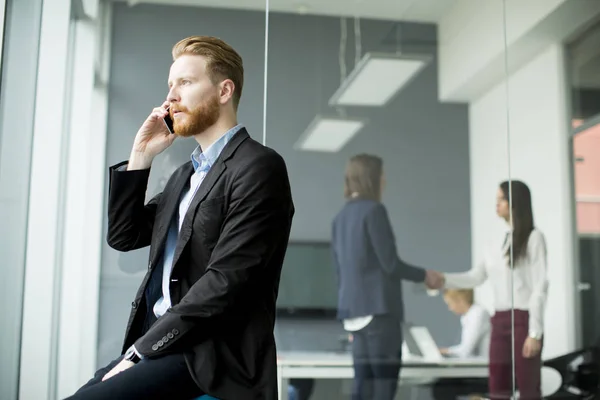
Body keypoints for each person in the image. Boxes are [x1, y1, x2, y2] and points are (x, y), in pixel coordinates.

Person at [66, 36, 294, 400]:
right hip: (160, 345)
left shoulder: (258, 166)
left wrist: (140, 352)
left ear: (224, 90)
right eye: (170, 85)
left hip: (209, 354)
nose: (171, 96)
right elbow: (124, 236)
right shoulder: (183, 177)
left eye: (185, 83)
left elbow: (225, 280)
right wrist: (141, 155)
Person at [331, 154, 445, 400]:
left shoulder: (340, 218)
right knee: (383, 389)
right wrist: (424, 275)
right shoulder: (374, 211)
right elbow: (390, 264)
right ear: (371, 178)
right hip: (379, 315)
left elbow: (340, 270)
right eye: (382, 175)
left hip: (353, 317)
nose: (384, 180)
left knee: (363, 388)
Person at [443, 180, 548, 400]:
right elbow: (476, 276)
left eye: (502, 199)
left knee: (528, 389)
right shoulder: (497, 242)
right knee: (497, 387)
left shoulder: (533, 238)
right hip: (499, 320)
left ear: (515, 202)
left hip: (523, 319)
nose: (497, 204)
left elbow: (540, 286)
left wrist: (534, 332)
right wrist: (443, 279)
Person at [432, 289, 490, 399]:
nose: (450, 308)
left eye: (450, 304)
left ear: (460, 300)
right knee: (441, 386)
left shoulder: (478, 313)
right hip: (477, 370)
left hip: (485, 374)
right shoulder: (469, 316)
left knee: (441, 388)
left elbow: (465, 350)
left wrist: (445, 351)